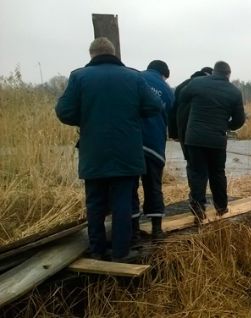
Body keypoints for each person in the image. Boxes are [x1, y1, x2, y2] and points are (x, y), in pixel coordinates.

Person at [55, 37, 163, 262]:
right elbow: (154, 106)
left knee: (95, 202)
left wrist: (86, 119)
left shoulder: (79, 77)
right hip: (127, 151)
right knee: (122, 201)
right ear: (114, 53)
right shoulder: (134, 76)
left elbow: (64, 111)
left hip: (93, 151)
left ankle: (97, 250)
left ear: (92, 54)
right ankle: (122, 252)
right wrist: (132, 116)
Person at [178, 61, 245, 223]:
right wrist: (227, 126)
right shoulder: (234, 92)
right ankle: (221, 207)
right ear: (228, 74)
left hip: (194, 139)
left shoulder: (197, 83)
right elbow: (239, 120)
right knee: (217, 173)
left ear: (214, 72)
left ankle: (198, 209)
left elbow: (182, 97)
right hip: (217, 140)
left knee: (197, 174)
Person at [132, 60, 174, 240]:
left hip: (131, 142)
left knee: (129, 186)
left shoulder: (135, 78)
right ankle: (157, 229)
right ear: (164, 74)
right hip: (154, 143)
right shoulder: (167, 90)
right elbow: (170, 113)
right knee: (153, 185)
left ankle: (133, 231)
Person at [168, 66, 213, 183]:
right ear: (209, 75)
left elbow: (173, 112)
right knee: (207, 163)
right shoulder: (209, 86)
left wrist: (174, 134)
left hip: (184, 131)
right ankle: (202, 195)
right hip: (205, 130)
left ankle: (194, 194)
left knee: (192, 163)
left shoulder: (181, 86)